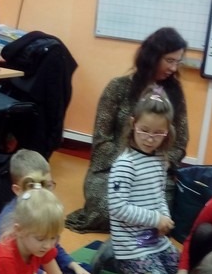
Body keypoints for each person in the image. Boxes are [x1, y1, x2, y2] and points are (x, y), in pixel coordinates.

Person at [66, 27, 189, 233]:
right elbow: (101, 141)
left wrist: (158, 163)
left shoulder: (175, 94)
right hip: (114, 169)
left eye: (178, 62)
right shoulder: (117, 87)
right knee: (107, 209)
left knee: (163, 212)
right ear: (152, 56)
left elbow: (180, 142)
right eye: (169, 60)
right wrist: (133, 163)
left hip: (154, 171)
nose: (173, 68)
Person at [93, 86, 180, 274]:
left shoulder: (159, 159)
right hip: (130, 243)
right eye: (144, 130)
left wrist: (164, 218)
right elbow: (118, 208)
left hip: (153, 238)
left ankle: (134, 259)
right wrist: (155, 219)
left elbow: (159, 195)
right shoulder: (126, 164)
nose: (150, 138)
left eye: (158, 133)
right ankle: (116, 258)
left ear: (167, 132)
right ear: (133, 124)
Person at [0, 149, 105, 274]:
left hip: (38, 258)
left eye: (47, 185)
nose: (43, 193)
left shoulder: (43, 215)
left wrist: (71, 264)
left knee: (82, 268)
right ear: (18, 190)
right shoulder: (8, 222)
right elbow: (13, 268)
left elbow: (52, 245)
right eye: (34, 186)